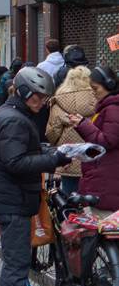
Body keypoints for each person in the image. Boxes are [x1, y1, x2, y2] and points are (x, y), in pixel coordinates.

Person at [0, 66, 71, 286]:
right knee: (16, 270)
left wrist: (53, 151)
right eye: (38, 95)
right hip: (13, 202)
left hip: (13, 200)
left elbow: (23, 151)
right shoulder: (14, 119)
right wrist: (53, 160)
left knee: (15, 267)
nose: (42, 101)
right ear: (23, 92)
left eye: (45, 97)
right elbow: (15, 162)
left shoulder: (13, 114)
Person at [63, 65, 119, 211]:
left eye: (95, 88)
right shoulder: (108, 107)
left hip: (107, 180)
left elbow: (107, 141)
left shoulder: (113, 109)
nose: (93, 93)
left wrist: (83, 124)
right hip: (104, 176)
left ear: (109, 85)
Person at [46, 65, 97, 195]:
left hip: (68, 159)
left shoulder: (59, 100)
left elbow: (52, 135)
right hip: (94, 158)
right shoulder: (97, 98)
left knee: (70, 201)